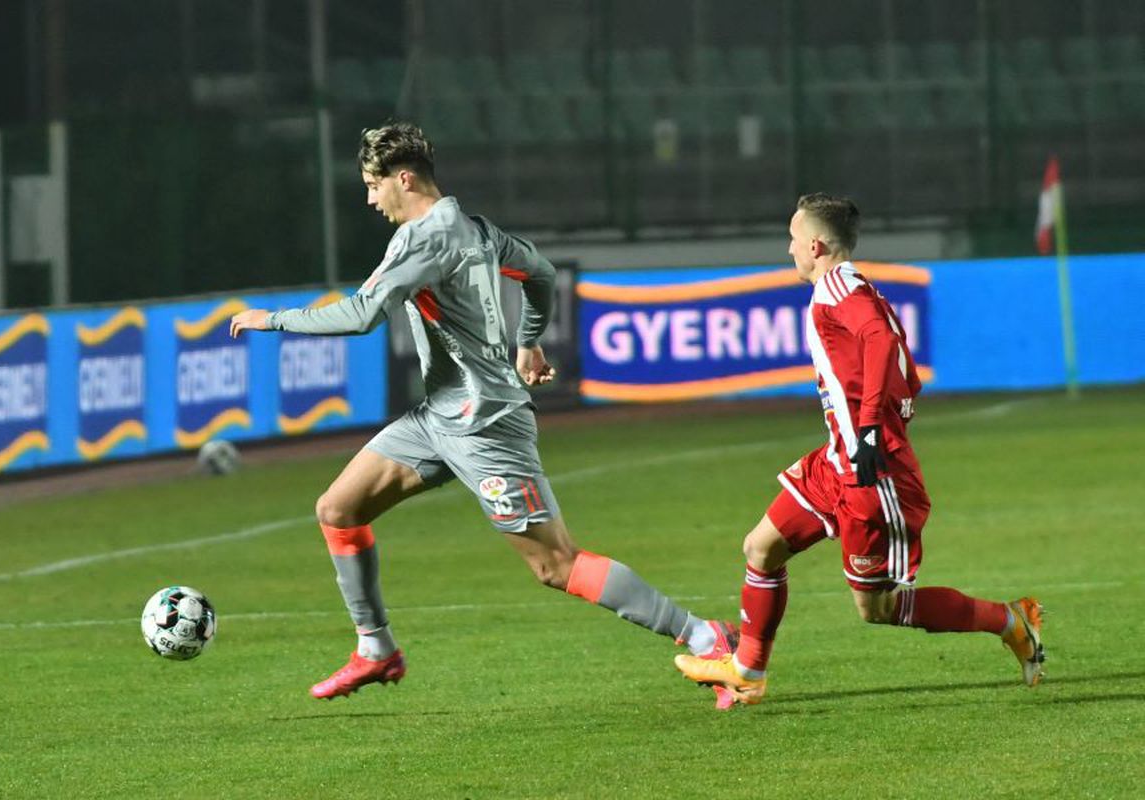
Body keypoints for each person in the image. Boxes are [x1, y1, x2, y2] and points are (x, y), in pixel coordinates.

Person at [230, 121, 735, 701]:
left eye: (372, 186)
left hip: (485, 424)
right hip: (438, 416)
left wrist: (272, 319)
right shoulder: (476, 229)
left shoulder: (425, 240)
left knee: (556, 564)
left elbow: (362, 316)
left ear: (403, 179)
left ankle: (705, 636)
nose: (370, 200)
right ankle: (376, 649)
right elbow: (541, 274)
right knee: (338, 509)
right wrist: (529, 341)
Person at [674, 193, 1045, 708]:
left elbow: (880, 340)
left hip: (872, 475)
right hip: (838, 461)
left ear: (815, 245)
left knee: (877, 608)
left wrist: (870, 428)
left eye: (792, 239)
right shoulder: (853, 286)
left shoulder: (838, 287)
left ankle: (1009, 621)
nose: (788, 249)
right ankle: (748, 671)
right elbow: (905, 372)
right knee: (761, 547)